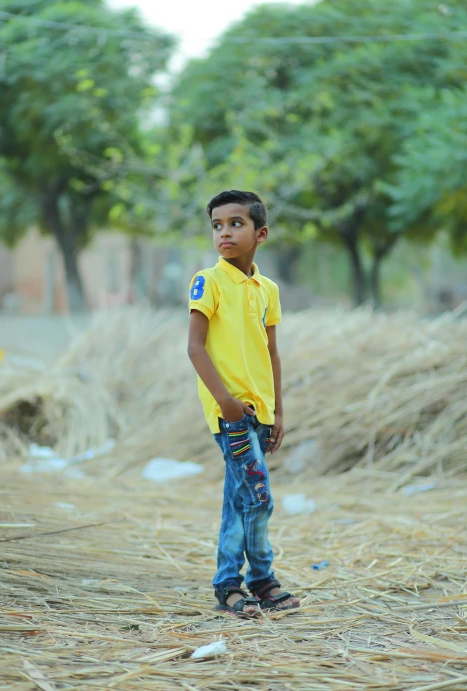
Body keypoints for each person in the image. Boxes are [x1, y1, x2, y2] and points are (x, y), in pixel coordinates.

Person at [187, 190, 300, 618]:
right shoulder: (208, 281)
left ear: (261, 233)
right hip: (231, 416)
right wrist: (227, 403)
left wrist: (279, 413)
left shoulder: (267, 289)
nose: (225, 233)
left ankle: (229, 586)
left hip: (261, 413)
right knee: (258, 497)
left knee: (239, 498)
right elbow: (195, 349)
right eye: (217, 225)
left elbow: (271, 353)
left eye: (236, 223)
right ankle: (261, 582)